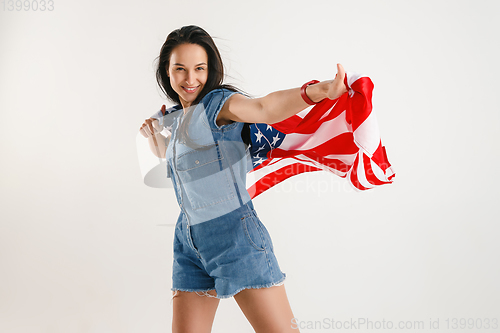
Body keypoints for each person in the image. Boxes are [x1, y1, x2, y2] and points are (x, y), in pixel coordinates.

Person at [139, 25, 347, 333]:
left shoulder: (219, 105)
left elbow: (264, 107)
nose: (190, 79)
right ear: (167, 73)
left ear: (210, 71)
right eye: (180, 69)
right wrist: (153, 135)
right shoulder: (178, 118)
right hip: (188, 245)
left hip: (236, 239)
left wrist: (317, 91)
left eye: (199, 68)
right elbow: (171, 157)